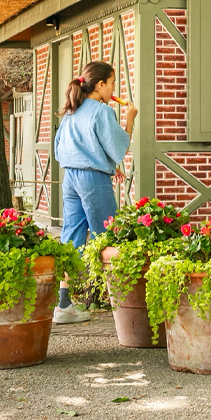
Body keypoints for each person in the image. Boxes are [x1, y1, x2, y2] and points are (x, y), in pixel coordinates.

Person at [52, 60, 138, 323]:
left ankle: (64, 304)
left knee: (71, 239)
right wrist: (130, 120)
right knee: (109, 236)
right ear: (100, 85)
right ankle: (123, 306)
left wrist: (107, 166)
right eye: (112, 83)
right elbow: (119, 149)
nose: (113, 89)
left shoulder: (71, 111)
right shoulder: (103, 111)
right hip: (92, 180)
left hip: (71, 178)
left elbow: (59, 149)